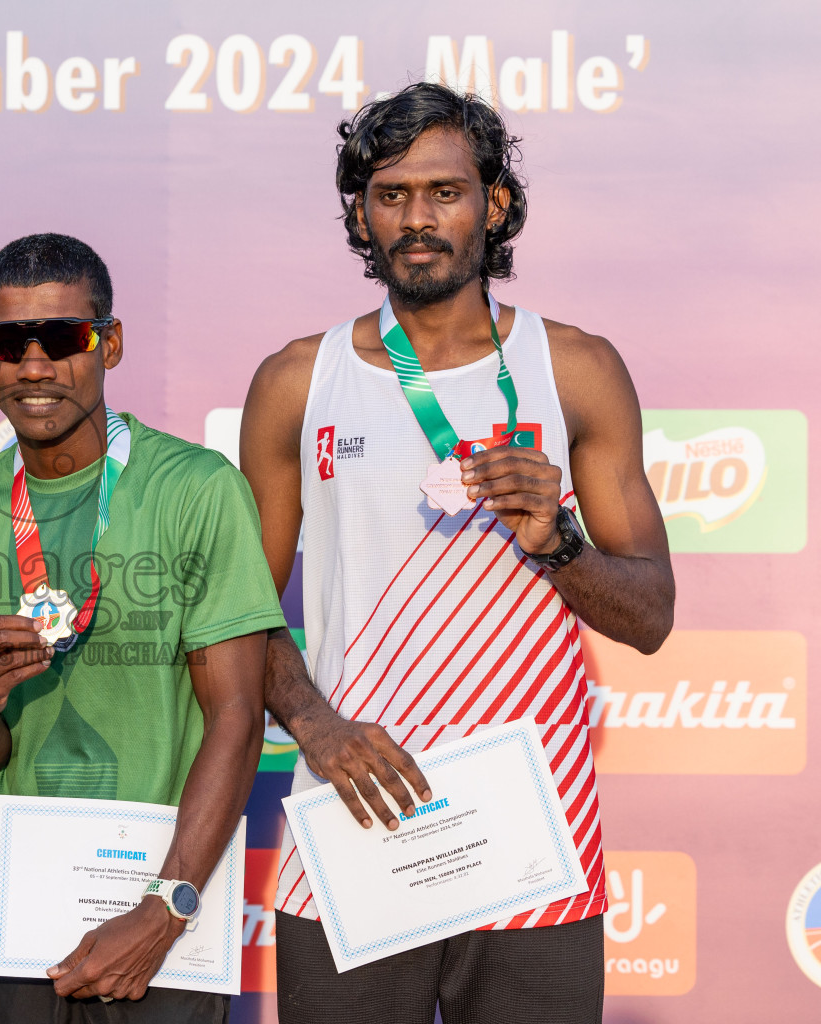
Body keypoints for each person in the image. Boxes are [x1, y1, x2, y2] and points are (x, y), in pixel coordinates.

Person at [239, 82, 674, 1024]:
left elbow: (651, 614)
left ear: (496, 204)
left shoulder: (576, 369)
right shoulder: (294, 382)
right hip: (355, 828)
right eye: (391, 195)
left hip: (531, 843)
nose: (418, 218)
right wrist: (316, 727)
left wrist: (559, 543)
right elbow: (237, 613)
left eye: (445, 191)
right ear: (360, 212)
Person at [0, 233, 285, 1022]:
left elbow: (236, 717)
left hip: (169, 913)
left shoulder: (197, 487)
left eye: (65, 338)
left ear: (109, 343)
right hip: (27, 921)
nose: (36, 364)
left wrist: (165, 907)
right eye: (10, 342)